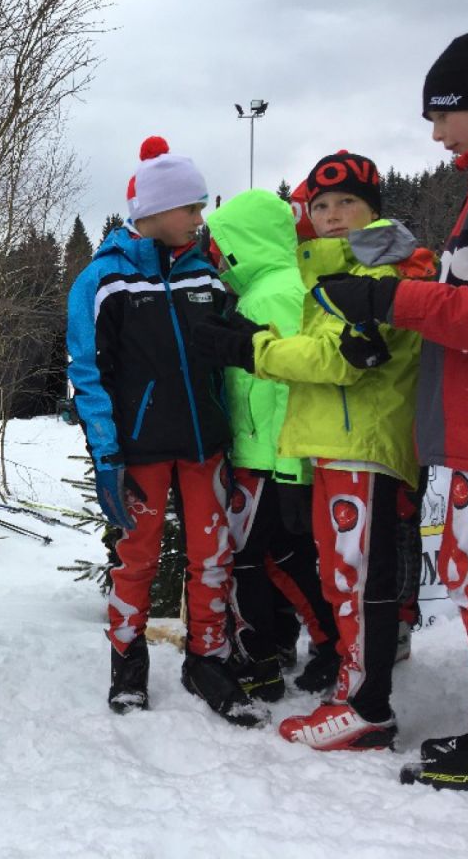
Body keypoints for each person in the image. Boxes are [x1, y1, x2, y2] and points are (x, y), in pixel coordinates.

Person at [197, 150, 429, 750]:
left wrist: (252, 348)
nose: (331, 215)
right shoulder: (327, 274)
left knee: (359, 578)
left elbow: (339, 360)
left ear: (372, 209)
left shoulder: (378, 270)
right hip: (331, 441)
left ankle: (366, 708)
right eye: (321, 205)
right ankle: (353, 694)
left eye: (346, 203)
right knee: (342, 577)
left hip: (363, 443)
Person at [315, 31, 468, 787]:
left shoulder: (408, 241)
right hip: (449, 429)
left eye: (443, 115)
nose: (437, 135)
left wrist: (389, 301)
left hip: (442, 433)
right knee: (464, 577)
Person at [66, 137, 264, 726]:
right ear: (154, 210)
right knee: (137, 559)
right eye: (191, 208)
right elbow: (87, 373)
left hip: (206, 447)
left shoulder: (208, 274)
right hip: (139, 453)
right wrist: (106, 456)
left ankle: (208, 660)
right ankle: (127, 663)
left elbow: (237, 351)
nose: (200, 219)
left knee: (212, 556)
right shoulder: (103, 281)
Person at [201, 190, 340, 701]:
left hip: (268, 458)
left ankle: (266, 656)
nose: (217, 259)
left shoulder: (272, 294)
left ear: (244, 243)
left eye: (221, 248)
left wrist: (287, 466)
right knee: (287, 556)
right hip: (267, 454)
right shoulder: (275, 285)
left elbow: (288, 385)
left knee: (252, 559)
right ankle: (322, 644)